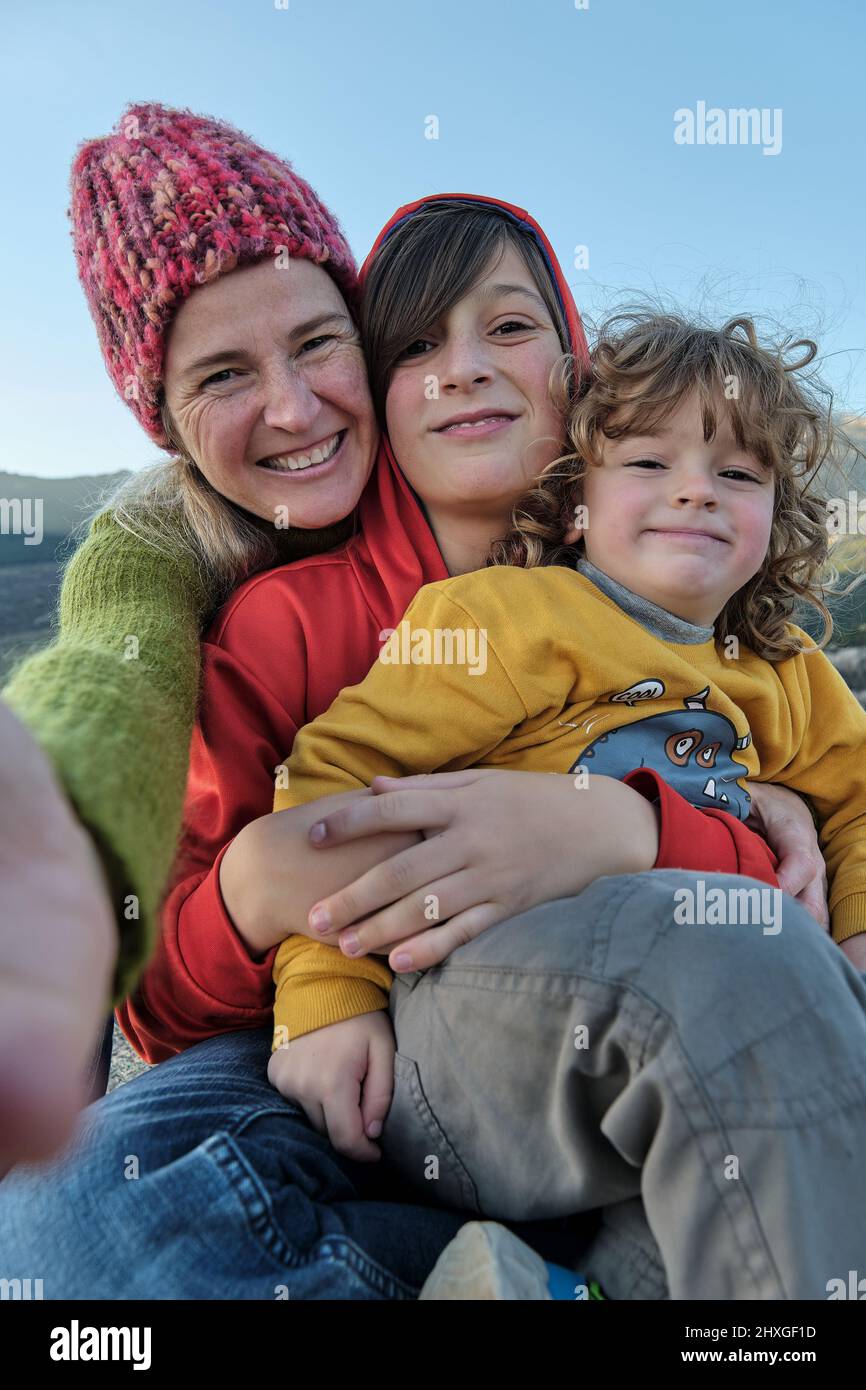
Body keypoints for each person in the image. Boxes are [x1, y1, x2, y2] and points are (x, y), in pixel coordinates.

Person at [0, 101, 837, 1300]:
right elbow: (179, 996)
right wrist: (252, 905)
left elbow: (805, 795)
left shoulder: (672, 577)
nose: (462, 371)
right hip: (344, 1071)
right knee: (79, 1220)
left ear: (577, 362)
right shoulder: (282, 617)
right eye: (416, 349)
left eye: (508, 327)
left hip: (615, 1044)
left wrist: (652, 824)